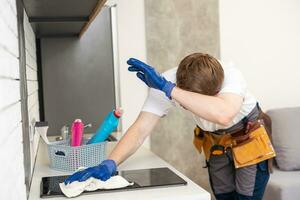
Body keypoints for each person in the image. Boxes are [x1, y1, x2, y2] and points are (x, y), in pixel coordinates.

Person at [65, 53, 272, 200]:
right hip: (216, 143)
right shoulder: (166, 82)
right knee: (224, 196)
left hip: (247, 136)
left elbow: (223, 115)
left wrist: (168, 89)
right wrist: (109, 163)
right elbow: (140, 130)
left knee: (246, 198)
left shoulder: (231, 76)